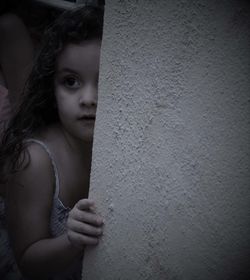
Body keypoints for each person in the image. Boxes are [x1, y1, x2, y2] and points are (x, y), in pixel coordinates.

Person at [0, 5, 104, 280]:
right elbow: (28, 263)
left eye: (105, 80)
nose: (88, 99)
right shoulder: (34, 160)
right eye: (70, 81)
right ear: (52, 87)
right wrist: (71, 240)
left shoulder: (116, 146)